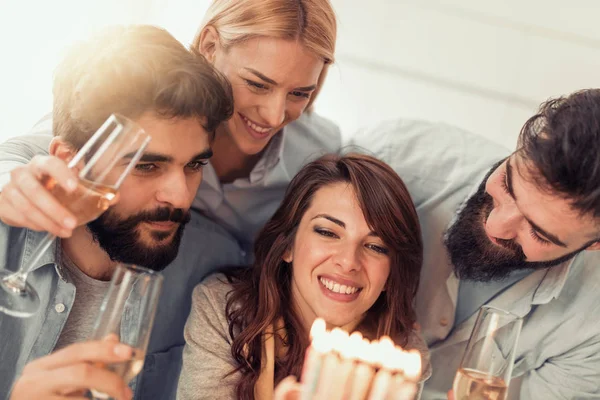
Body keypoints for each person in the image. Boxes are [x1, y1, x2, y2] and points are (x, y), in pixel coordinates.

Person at [0, 25, 244, 400]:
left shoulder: (214, 272)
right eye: (146, 167)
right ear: (72, 162)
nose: (180, 196)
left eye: (194, 165)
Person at [0, 0, 341, 255]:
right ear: (209, 47)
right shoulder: (158, 93)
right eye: (257, 84)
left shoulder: (317, 151)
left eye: (299, 93)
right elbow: (50, 146)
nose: (273, 115)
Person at [349, 89, 600, 399]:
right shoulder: (396, 155)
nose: (496, 224)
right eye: (508, 184)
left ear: (594, 245)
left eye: (538, 233)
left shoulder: (592, 325)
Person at [177, 153, 432, 400]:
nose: (348, 262)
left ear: (391, 274)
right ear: (288, 245)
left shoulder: (403, 355)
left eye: (376, 247)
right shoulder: (222, 307)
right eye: (327, 232)